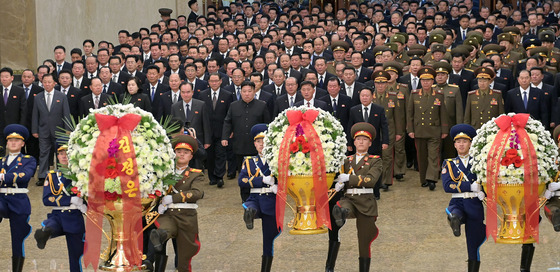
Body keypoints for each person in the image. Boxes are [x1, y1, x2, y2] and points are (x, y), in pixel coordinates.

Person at [331, 122, 382, 272]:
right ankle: (341, 214)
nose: (361, 142)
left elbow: (371, 180)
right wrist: (338, 183)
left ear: (370, 143)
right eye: (358, 139)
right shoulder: (346, 161)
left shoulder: (375, 160)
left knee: (364, 242)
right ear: (353, 142)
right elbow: (337, 177)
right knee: (341, 207)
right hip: (350, 200)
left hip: (366, 202)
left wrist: (348, 178)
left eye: (364, 139)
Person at [150, 134, 204, 272]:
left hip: (186, 216)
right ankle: (160, 236)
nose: (182, 155)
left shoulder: (196, 174)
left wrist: (173, 198)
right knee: (165, 229)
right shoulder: (166, 173)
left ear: (191, 156)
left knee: (184, 258)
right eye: (178, 152)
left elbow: (197, 193)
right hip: (167, 213)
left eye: (186, 152)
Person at [34, 143, 86, 272]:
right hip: (58, 215)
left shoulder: (82, 175)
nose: (63, 157)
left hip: (74, 217)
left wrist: (85, 204)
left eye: (67, 154)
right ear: (57, 157)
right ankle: (45, 233)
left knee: (76, 256)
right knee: (51, 226)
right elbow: (47, 199)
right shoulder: (52, 176)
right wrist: (70, 199)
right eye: (61, 154)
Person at [441, 124, 485, 272]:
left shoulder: (479, 162)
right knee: (453, 213)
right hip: (458, 201)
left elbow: (486, 181)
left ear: (470, 143)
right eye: (458, 142)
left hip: (474, 203)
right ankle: (455, 221)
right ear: (454, 144)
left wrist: (483, 191)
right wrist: (469, 186)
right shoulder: (449, 163)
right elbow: (447, 186)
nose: (461, 144)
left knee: (473, 244)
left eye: (464, 141)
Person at [238, 124, 280, 272]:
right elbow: (241, 181)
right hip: (255, 196)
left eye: (264, 140)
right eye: (258, 141)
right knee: (251, 207)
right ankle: (249, 214)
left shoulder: (276, 160)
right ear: (254, 144)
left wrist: (278, 186)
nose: (261, 144)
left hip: (271, 199)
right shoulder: (249, 161)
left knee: (268, 239)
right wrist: (261, 180)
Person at [222, 81, 271, 196]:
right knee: (243, 172)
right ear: (240, 92)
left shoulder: (262, 105)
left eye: (249, 91)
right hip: (240, 145)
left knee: (258, 170)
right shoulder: (234, 106)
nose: (247, 94)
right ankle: (244, 196)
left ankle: (260, 193)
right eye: (244, 91)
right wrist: (225, 137)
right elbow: (227, 122)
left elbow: (268, 124)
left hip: (258, 146)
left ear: (254, 92)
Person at [0, 124, 37, 272]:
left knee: (18, 239)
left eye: (17, 140)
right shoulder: (1, 161)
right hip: (2, 199)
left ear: (22, 143)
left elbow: (25, 176)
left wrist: (3, 176)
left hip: (19, 201)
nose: (13, 143)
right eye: (10, 140)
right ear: (7, 143)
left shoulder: (29, 160)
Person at [407, 67, 449, 190]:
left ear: (433, 82)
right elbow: (410, 113)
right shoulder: (414, 95)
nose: (426, 83)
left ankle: (432, 179)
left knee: (433, 155)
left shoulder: (438, 95)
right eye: (424, 80)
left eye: (429, 80)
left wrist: (445, 130)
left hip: (434, 130)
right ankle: (424, 178)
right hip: (419, 130)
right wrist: (410, 130)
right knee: (421, 156)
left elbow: (443, 114)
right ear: (420, 82)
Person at [31, 74, 71, 186]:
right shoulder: (38, 97)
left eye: (49, 82)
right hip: (43, 131)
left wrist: (67, 130)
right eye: (45, 82)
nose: (47, 84)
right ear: (42, 83)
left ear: (54, 83)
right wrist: (35, 130)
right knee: (43, 153)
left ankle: (61, 175)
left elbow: (66, 114)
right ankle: (42, 176)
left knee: (60, 154)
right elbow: (35, 114)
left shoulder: (61, 96)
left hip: (59, 131)